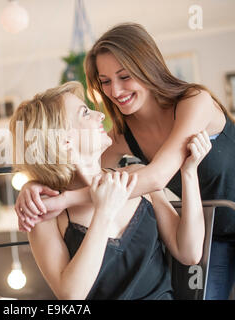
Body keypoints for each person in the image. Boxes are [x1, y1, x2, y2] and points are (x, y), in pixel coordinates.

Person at [15, 23, 235, 300]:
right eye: (105, 81)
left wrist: (62, 201)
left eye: (124, 76)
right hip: (213, 235)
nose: (114, 91)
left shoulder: (194, 101)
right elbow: (71, 164)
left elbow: (155, 177)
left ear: (148, 69)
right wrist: (34, 185)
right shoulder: (121, 135)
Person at [9, 81, 211, 300]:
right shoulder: (46, 216)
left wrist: (189, 172)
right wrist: (104, 212)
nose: (100, 116)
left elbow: (189, 253)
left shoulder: (138, 177)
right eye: (85, 113)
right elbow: (71, 295)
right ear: (64, 141)